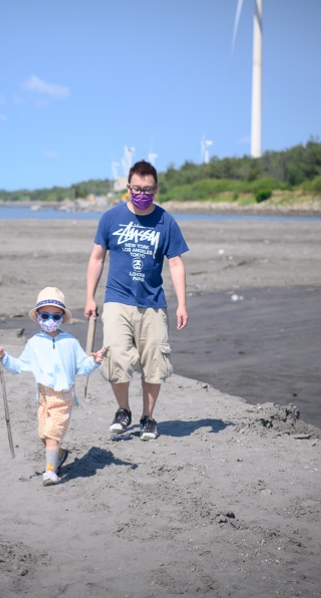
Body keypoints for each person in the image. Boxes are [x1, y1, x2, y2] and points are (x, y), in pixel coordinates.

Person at [85, 160, 189, 441]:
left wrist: (181, 303)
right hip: (117, 300)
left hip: (153, 303)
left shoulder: (166, 221)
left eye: (149, 189)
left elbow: (176, 263)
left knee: (154, 360)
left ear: (156, 189)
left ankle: (148, 418)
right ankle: (123, 410)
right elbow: (97, 258)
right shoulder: (110, 218)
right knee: (116, 356)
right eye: (137, 189)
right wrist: (89, 298)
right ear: (128, 187)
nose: (142, 194)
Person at [0, 287, 105, 486]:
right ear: (38, 317)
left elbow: (83, 367)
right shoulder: (34, 343)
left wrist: (95, 361)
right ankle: (60, 454)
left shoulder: (70, 342)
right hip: (43, 396)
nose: (50, 320)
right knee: (44, 435)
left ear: (63, 316)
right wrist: (4, 358)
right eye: (45, 315)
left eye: (55, 315)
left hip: (64, 396)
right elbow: (18, 366)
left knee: (52, 435)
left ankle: (50, 472)